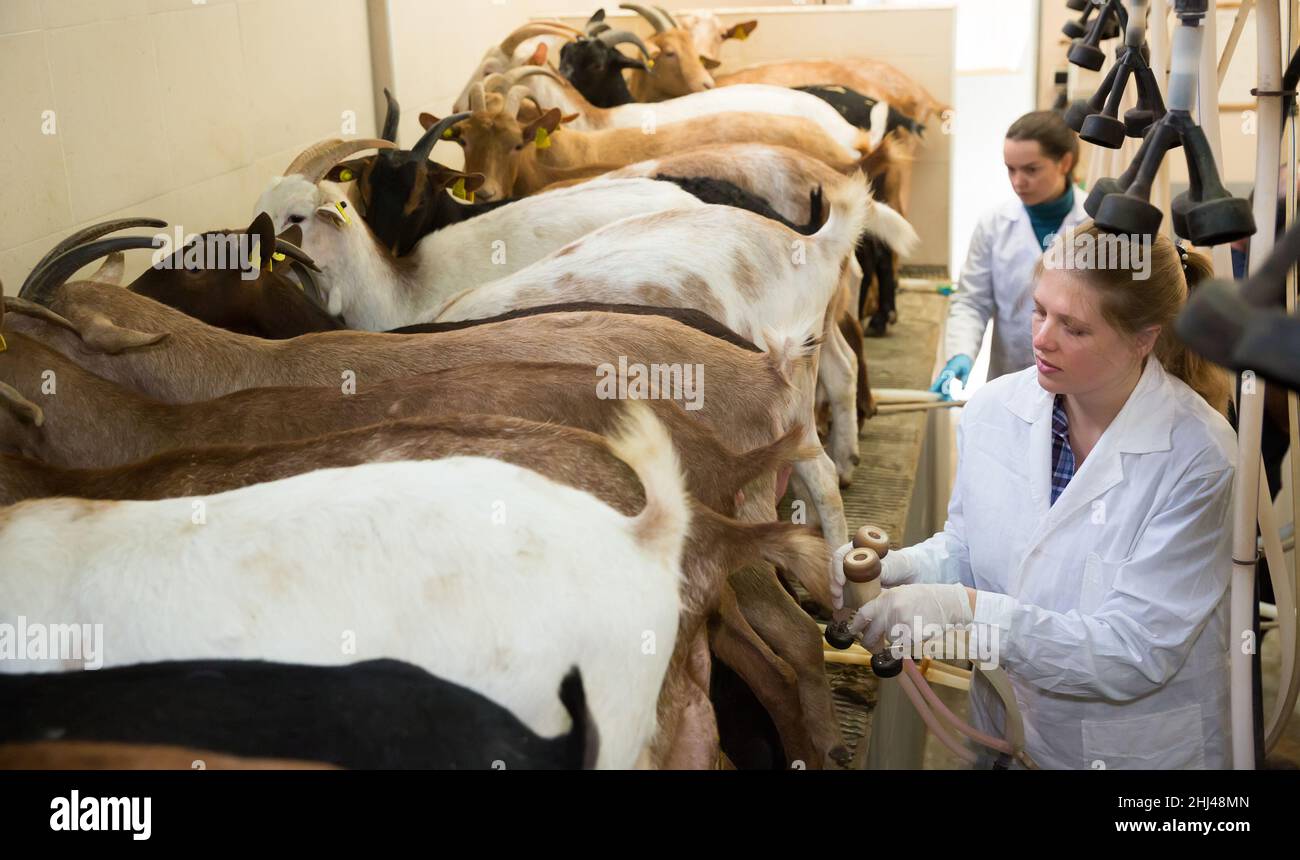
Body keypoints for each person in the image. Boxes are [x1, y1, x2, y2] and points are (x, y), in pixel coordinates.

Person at [833, 223, 1237, 769]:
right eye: (1039, 310)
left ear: (1145, 337)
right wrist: (905, 569)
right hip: (1004, 730)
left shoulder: (1198, 456)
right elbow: (970, 548)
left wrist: (964, 610)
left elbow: (1133, 652)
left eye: (1074, 327)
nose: (1042, 338)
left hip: (1132, 756)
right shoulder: (994, 409)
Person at [931, 111, 1090, 400]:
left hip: (1081, 383)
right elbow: (972, 300)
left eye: (1031, 170)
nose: (1018, 181)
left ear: (1065, 162)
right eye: (1010, 169)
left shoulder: (1096, 225)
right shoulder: (994, 223)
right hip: (1011, 378)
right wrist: (961, 354)